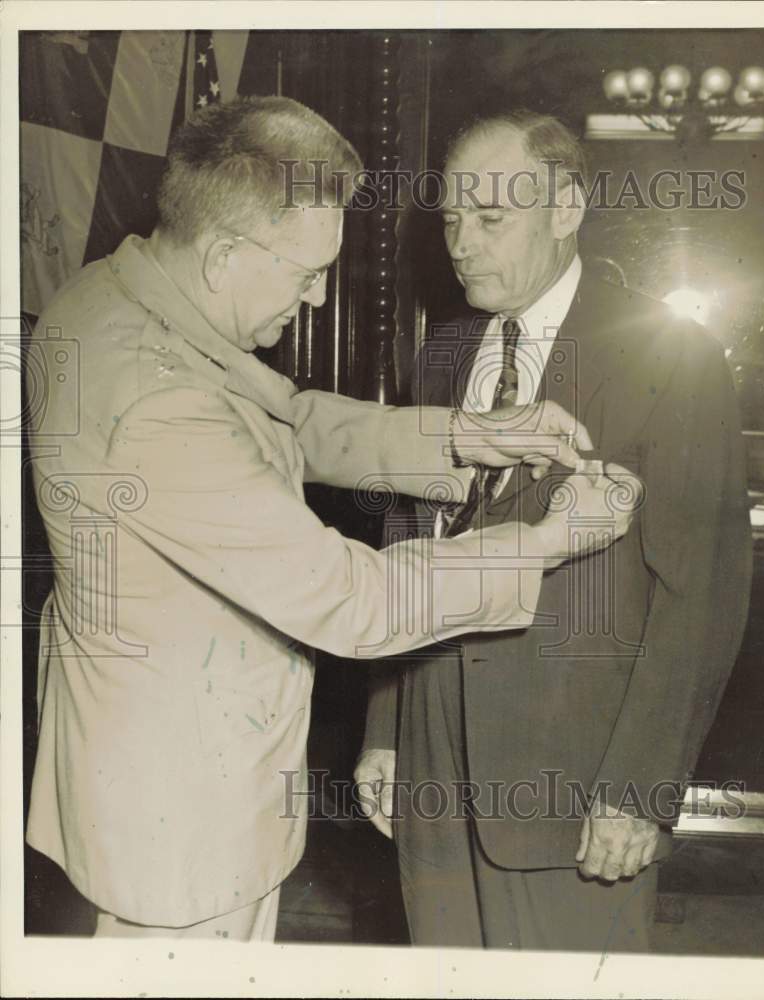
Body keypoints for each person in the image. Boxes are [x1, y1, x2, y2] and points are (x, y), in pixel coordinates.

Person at [23, 96, 637, 942]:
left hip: (130, 755)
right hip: (183, 812)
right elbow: (353, 600)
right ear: (226, 254)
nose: (315, 301)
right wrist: (542, 542)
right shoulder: (158, 400)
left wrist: (466, 435)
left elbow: (288, 418)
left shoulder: (116, 295)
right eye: (307, 274)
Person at [356, 110, 753, 952]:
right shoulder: (441, 354)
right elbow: (405, 549)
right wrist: (386, 731)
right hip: (431, 762)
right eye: (452, 218)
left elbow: (701, 590)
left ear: (565, 209)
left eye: (491, 218)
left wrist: (639, 788)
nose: (463, 242)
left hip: (574, 775)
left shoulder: (667, 352)